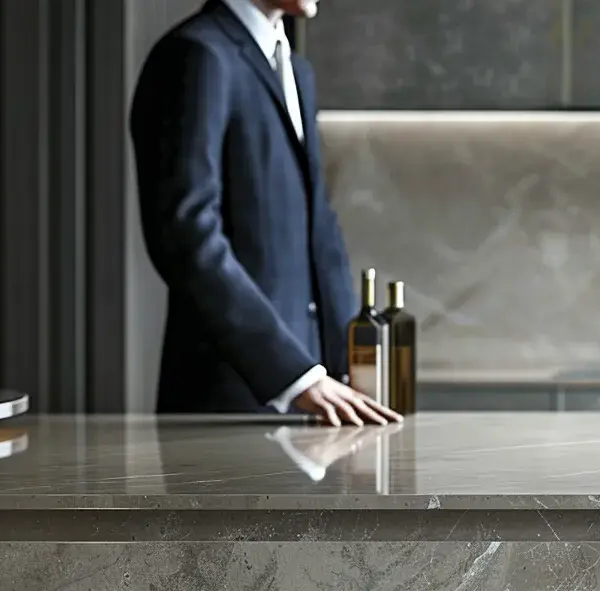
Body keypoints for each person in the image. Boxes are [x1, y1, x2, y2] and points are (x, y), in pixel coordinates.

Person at [130, 0, 399, 426]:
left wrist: (348, 365)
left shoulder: (296, 69)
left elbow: (318, 230)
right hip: (234, 401)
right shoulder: (197, 55)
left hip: (322, 398)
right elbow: (186, 235)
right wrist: (294, 375)